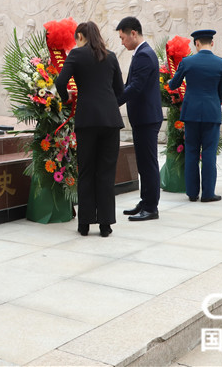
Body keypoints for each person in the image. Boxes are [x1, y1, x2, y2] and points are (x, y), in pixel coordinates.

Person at [55, 21, 124, 237]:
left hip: (86, 120)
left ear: (80, 36)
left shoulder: (76, 55)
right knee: (106, 171)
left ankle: (84, 224)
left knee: (86, 170)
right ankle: (105, 225)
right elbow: (120, 90)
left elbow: (60, 83)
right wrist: (109, 105)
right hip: (111, 120)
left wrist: (67, 98)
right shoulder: (111, 56)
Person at [168, 29, 222, 203]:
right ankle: (208, 193)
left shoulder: (187, 62)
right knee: (209, 153)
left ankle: (192, 193)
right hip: (211, 113)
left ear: (196, 43)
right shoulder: (221, 63)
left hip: (191, 113)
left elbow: (174, 84)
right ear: (212, 43)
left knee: (192, 152)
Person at [115, 16, 163, 221]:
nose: (122, 42)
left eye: (123, 37)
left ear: (133, 33)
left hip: (146, 118)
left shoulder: (144, 55)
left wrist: (113, 101)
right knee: (143, 163)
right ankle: (145, 201)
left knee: (148, 163)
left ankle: (151, 207)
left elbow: (135, 87)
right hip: (143, 117)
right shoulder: (141, 53)